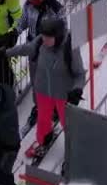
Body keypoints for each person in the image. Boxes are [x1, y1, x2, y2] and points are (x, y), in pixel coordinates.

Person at [5, 17, 84, 159]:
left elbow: (79, 74)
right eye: (44, 36)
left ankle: (74, 151)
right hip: (43, 90)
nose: (45, 40)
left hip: (63, 93)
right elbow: (27, 48)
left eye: (49, 38)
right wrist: (5, 53)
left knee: (68, 123)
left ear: (58, 36)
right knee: (43, 119)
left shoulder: (70, 47)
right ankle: (44, 140)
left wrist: (77, 90)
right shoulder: (41, 41)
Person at [17, 0, 66, 127]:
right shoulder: (29, 5)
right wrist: (14, 32)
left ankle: (56, 107)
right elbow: (23, 20)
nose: (33, 3)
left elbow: (63, 31)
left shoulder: (56, 10)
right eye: (31, 1)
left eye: (36, 1)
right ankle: (39, 106)